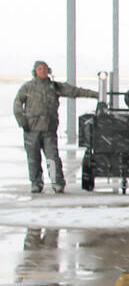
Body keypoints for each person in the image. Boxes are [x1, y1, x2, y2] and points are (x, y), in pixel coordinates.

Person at [13, 62, 97, 194]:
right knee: (33, 159)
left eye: (45, 68)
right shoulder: (27, 87)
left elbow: (74, 91)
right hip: (31, 130)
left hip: (49, 130)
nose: (43, 71)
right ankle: (36, 184)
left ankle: (57, 183)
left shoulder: (54, 87)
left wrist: (97, 94)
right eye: (40, 69)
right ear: (35, 71)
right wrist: (22, 121)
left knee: (52, 158)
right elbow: (17, 103)